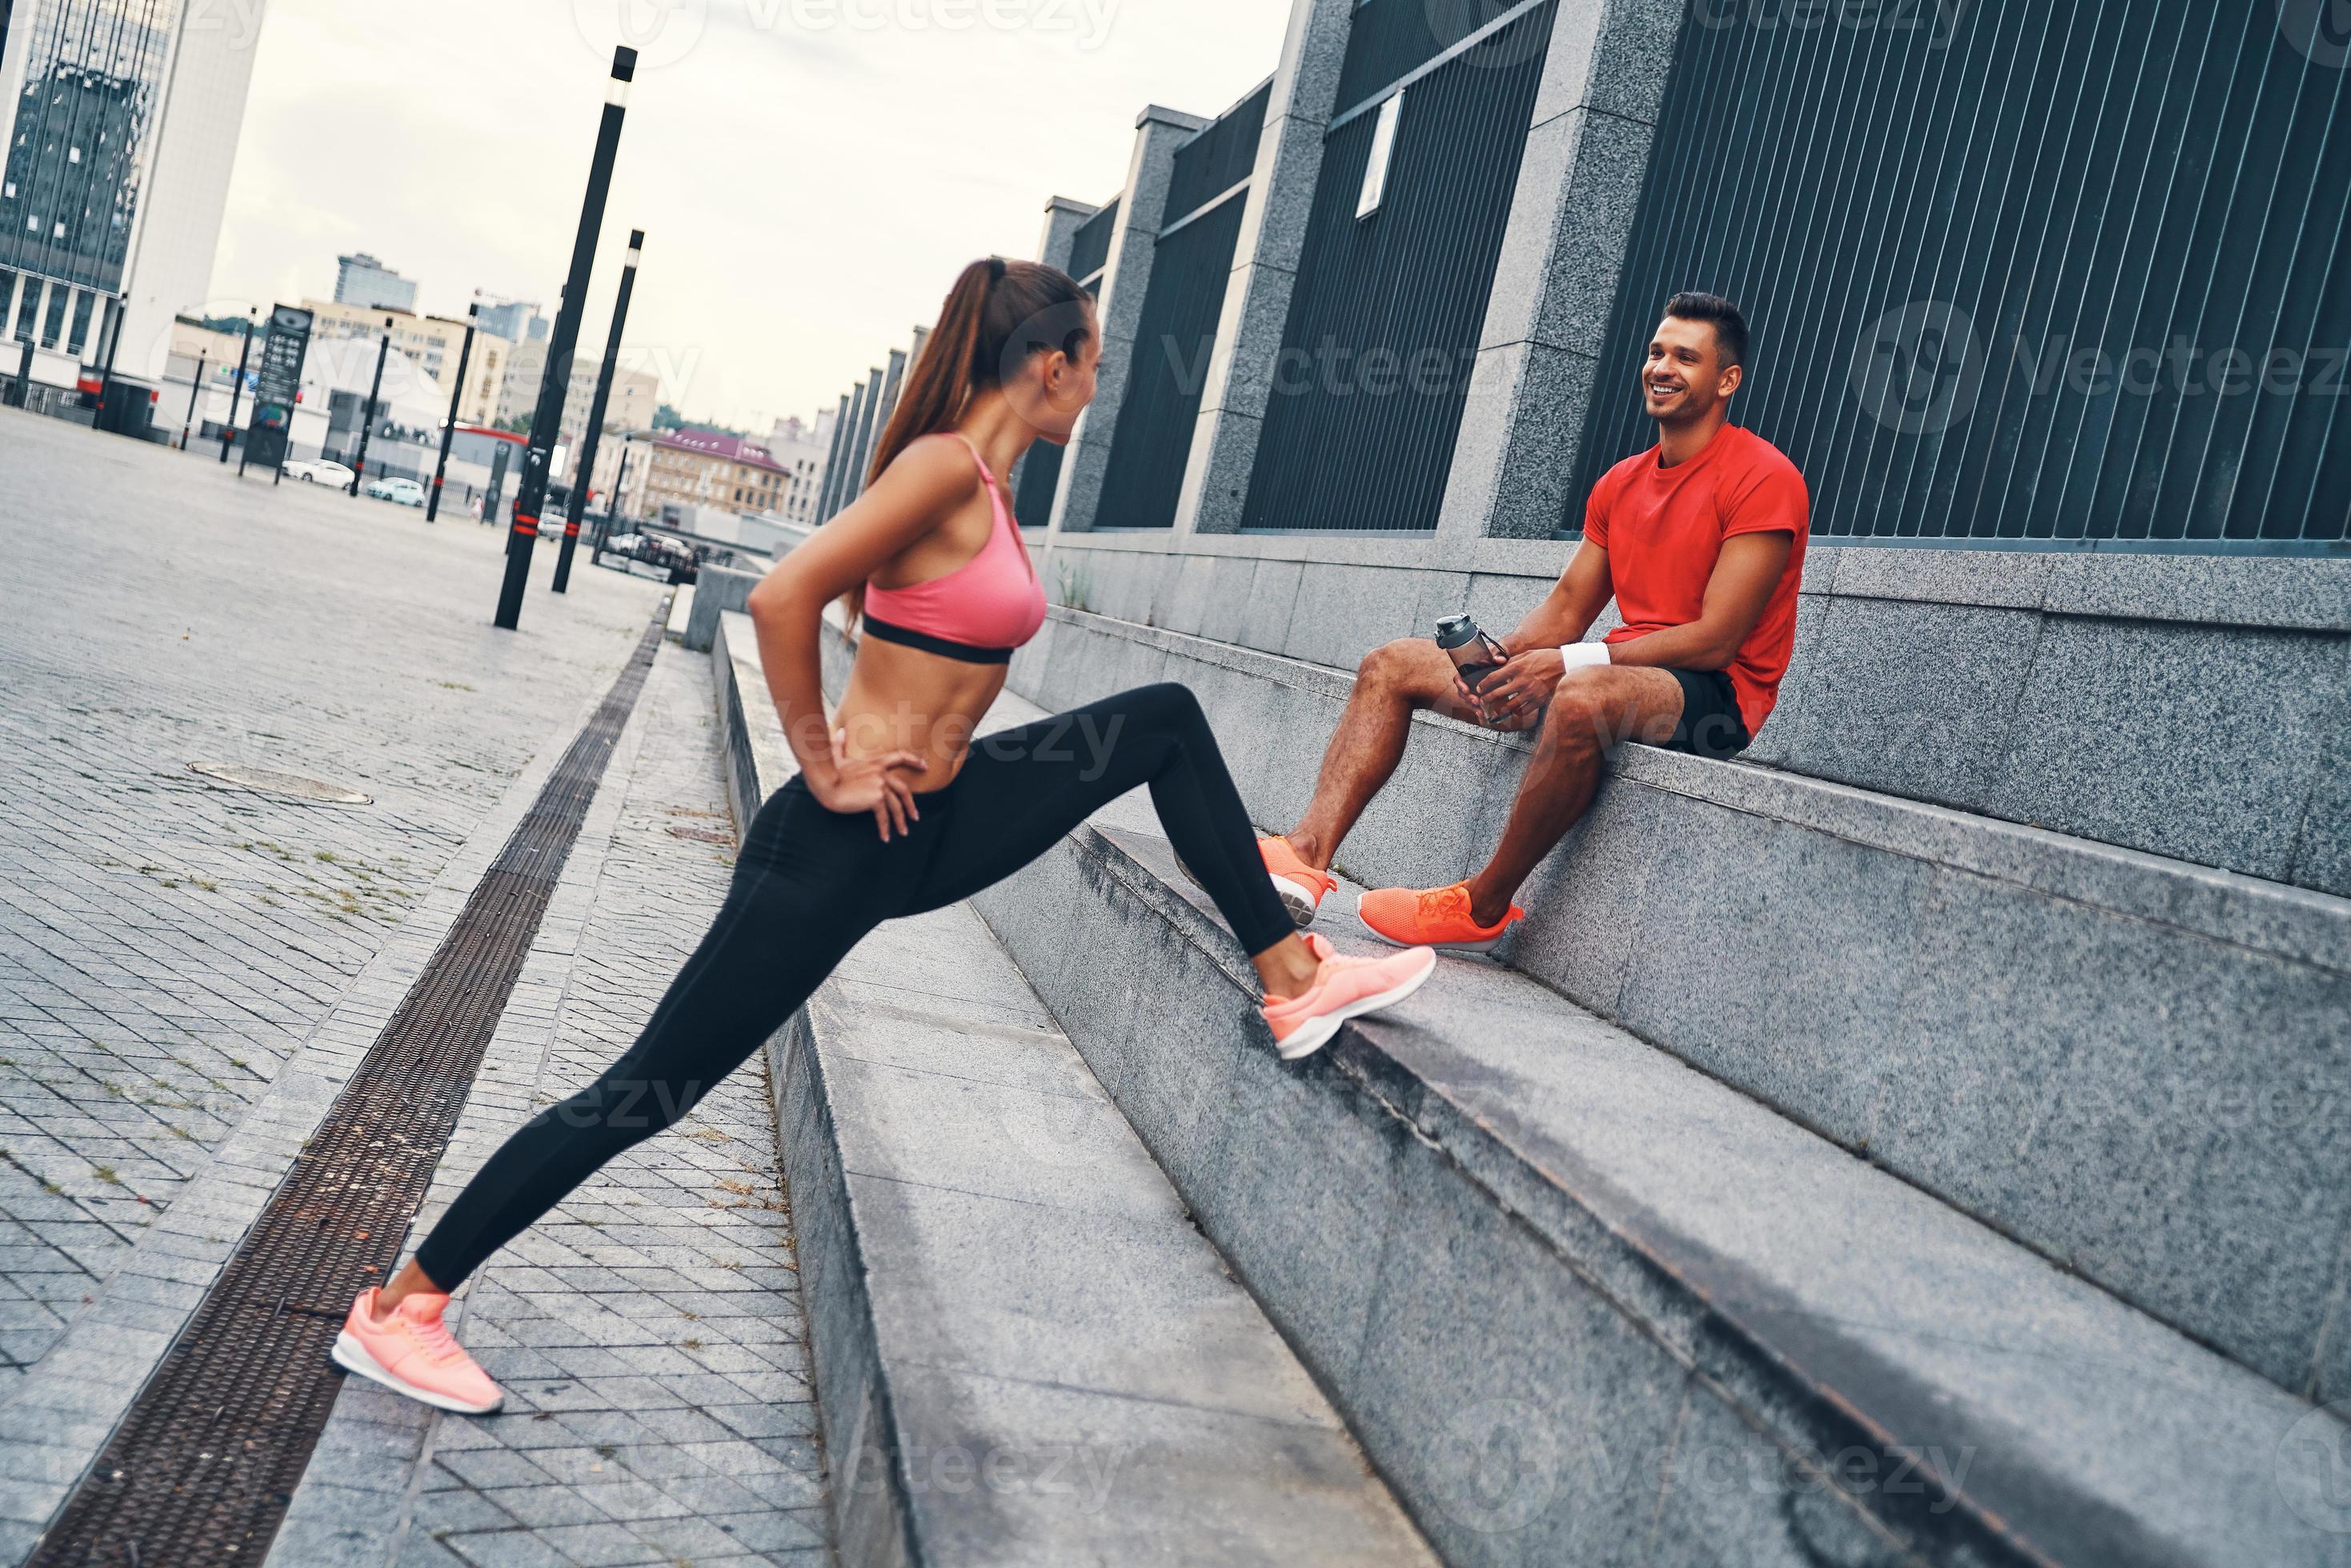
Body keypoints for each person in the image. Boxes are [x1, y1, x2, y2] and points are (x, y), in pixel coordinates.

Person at [328, 258, 1440, 1415]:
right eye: (1093, 366)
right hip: (835, 847)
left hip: (936, 821)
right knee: (650, 1088)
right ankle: (401, 1306)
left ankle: (1289, 974)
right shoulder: (941, 470)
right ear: (1045, 364)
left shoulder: (991, 487)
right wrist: (820, 761)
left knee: (1158, 725)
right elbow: (782, 595)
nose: (1097, 389)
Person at [1246, 293, 1808, 952]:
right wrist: (1501, 661)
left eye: (1686, 357)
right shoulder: (1620, 484)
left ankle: (1482, 904)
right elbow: (1569, 609)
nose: (1663, 367)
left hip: (1717, 694)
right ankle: (1305, 857)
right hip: (1621, 666)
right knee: (1391, 663)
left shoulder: (1765, 478)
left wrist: (1567, 664)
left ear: (1726, 380)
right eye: (1657, 351)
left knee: (1580, 696)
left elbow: (1717, 640)